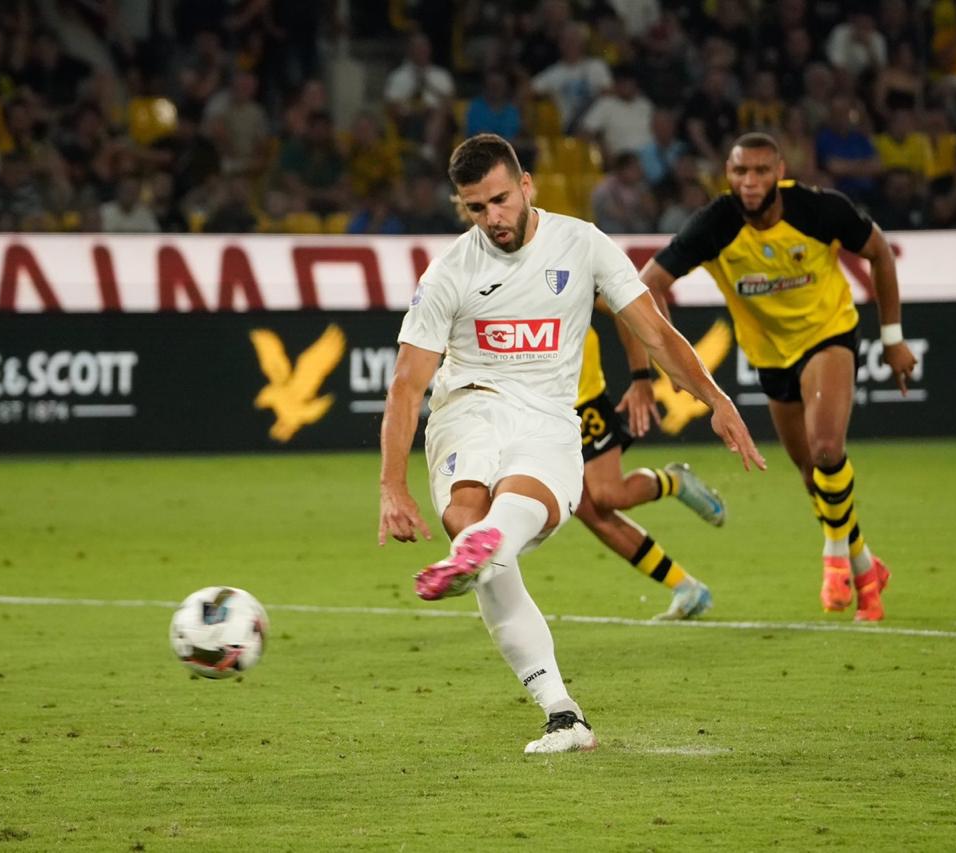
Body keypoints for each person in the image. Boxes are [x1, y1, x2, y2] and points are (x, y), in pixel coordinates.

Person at [379, 134, 764, 754]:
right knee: (473, 530)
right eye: (476, 208)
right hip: (468, 408)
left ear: (526, 184)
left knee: (495, 536)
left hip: (549, 415)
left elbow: (657, 334)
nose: (493, 218)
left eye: (501, 200)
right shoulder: (450, 270)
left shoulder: (581, 243)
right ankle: (563, 714)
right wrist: (391, 485)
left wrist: (715, 400)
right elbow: (406, 383)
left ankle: (487, 552)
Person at [640, 132, 917, 622]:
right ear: (728, 173)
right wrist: (667, 358)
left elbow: (880, 253)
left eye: (761, 171)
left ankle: (834, 555)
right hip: (770, 358)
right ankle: (866, 568)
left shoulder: (818, 210)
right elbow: (649, 285)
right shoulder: (715, 224)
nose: (750, 182)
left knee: (828, 450)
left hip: (828, 334)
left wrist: (892, 337)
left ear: (780, 172)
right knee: (814, 475)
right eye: (741, 171)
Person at [573, 318, 722, 621]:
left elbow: (624, 306)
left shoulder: (572, 269)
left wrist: (641, 377)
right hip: (535, 406)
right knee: (588, 509)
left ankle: (674, 481)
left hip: (582, 400)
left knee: (609, 496)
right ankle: (685, 587)